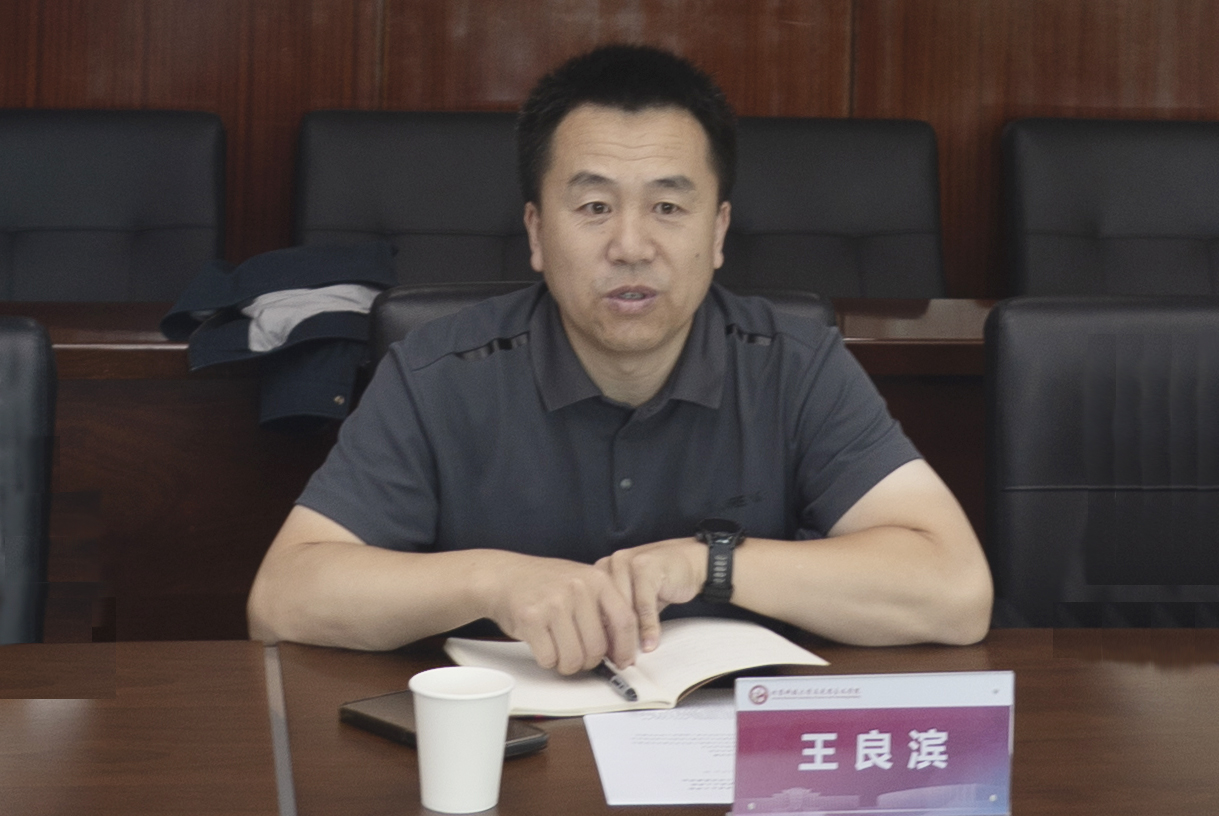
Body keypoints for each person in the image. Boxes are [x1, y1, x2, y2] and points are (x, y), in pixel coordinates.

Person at [247, 44, 992, 675]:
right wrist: (493, 580)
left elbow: (956, 593)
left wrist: (708, 564)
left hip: (730, 758)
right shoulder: (436, 373)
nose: (631, 245)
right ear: (536, 233)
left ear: (718, 232)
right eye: (594, 207)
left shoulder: (794, 366)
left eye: (668, 207)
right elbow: (282, 599)